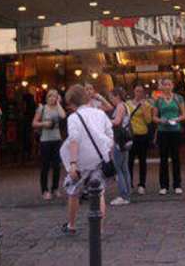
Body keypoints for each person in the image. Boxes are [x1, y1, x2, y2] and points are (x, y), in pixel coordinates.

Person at [59, 84, 114, 237]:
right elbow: (110, 136)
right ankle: (99, 229)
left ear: (72, 103)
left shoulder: (74, 118)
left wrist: (73, 163)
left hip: (81, 161)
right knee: (99, 192)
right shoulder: (100, 114)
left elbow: (74, 140)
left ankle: (71, 225)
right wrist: (106, 153)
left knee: (73, 191)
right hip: (99, 159)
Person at [152, 79, 185, 195]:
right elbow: (154, 117)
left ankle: (177, 184)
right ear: (162, 87)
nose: (167, 87)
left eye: (169, 84)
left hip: (175, 130)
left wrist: (176, 119)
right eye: (165, 85)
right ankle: (163, 185)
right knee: (163, 158)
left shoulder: (178, 98)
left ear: (172, 86)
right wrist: (161, 120)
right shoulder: (158, 100)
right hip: (163, 130)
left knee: (176, 157)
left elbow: (184, 115)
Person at [33, 89, 66, 200]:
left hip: (57, 139)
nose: (52, 98)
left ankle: (55, 188)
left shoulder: (58, 108)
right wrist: (43, 124)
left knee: (57, 165)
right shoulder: (42, 108)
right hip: (45, 140)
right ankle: (45, 190)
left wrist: (58, 103)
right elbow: (34, 123)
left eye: (55, 96)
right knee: (45, 166)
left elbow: (63, 116)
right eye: (50, 96)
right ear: (47, 98)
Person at [127, 85, 153, 194]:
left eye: (141, 91)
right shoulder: (127, 104)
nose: (139, 93)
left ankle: (142, 184)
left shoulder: (146, 105)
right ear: (133, 91)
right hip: (131, 135)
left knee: (142, 160)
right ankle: (129, 184)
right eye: (137, 91)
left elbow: (148, 120)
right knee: (130, 161)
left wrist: (144, 108)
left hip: (142, 134)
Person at [107, 87, 132, 206]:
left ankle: (123, 195)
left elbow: (117, 121)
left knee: (119, 169)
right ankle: (127, 194)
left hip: (120, 140)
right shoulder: (125, 105)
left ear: (117, 96)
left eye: (111, 97)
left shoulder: (120, 106)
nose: (110, 99)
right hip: (125, 139)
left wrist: (106, 120)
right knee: (124, 168)